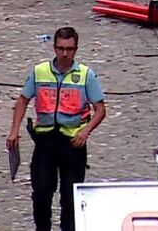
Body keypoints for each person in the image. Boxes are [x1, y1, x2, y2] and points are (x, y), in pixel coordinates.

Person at [7, 27, 106, 231]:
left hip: (73, 143)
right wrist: (14, 130)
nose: (64, 54)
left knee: (70, 198)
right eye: (61, 48)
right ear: (54, 48)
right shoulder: (40, 72)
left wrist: (85, 132)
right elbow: (23, 100)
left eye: (69, 49)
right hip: (45, 142)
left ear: (76, 49)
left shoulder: (86, 75)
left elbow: (101, 110)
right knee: (41, 192)